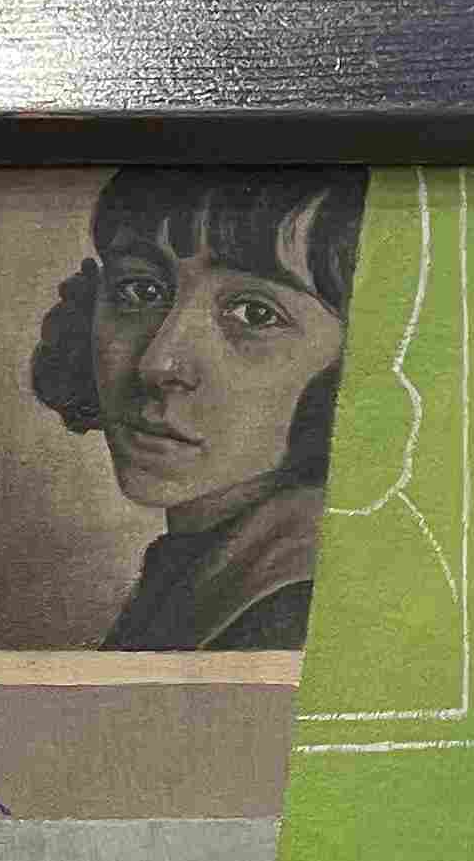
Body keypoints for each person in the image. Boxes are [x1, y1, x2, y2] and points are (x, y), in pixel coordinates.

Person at [29, 166, 367, 651]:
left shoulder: (300, 612)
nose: (157, 362)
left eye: (255, 314)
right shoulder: (196, 566)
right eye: (141, 290)